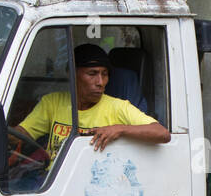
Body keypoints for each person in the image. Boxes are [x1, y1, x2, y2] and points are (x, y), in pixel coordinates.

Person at [15, 43, 170, 165]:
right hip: (53, 182)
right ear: (72, 74)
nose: (100, 82)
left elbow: (162, 133)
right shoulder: (52, 102)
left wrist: (120, 129)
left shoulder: (118, 107)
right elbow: (21, 134)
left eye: (104, 74)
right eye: (92, 74)